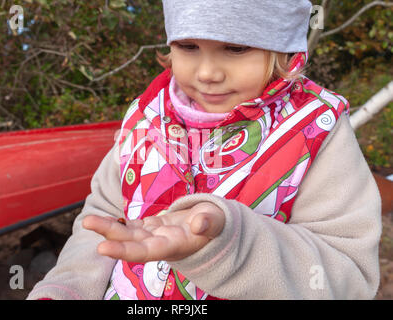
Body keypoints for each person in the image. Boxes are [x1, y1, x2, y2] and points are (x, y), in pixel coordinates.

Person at [27, 0, 382, 300]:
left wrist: (231, 245)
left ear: (283, 49)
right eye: (188, 47)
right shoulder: (146, 116)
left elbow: (348, 275)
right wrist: (67, 287)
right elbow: (104, 217)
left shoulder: (314, 130)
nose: (208, 72)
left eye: (236, 48)